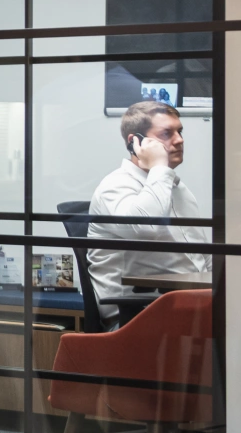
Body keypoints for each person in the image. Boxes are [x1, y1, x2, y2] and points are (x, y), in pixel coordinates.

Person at [87, 98, 211, 324]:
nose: (180, 140)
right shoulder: (114, 187)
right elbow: (146, 228)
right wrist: (160, 168)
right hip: (136, 315)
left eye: (180, 131)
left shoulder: (178, 189)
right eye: (167, 134)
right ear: (135, 142)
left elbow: (202, 257)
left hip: (186, 307)